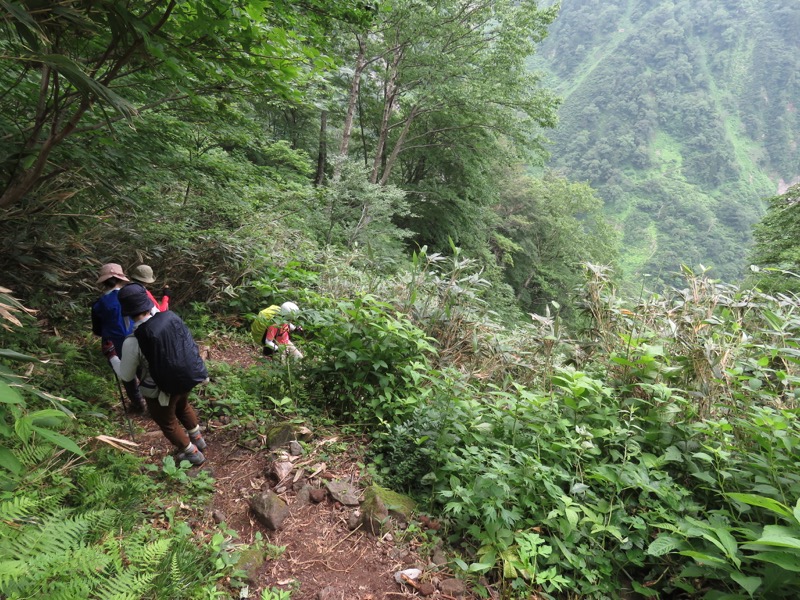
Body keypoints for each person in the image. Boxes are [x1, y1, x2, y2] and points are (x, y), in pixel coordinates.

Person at [111, 283, 209, 466]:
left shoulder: (133, 341)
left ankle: (192, 453)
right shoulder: (170, 318)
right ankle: (198, 439)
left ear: (126, 311)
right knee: (182, 406)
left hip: (160, 391)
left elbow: (126, 375)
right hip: (185, 377)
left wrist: (113, 357)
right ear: (148, 303)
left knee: (167, 421)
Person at [91, 263, 144, 412]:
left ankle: (137, 403)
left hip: (113, 343)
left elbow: (98, 330)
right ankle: (154, 403)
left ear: (104, 282)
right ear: (121, 279)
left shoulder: (98, 305)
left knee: (125, 373)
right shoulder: (130, 296)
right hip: (136, 337)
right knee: (142, 370)